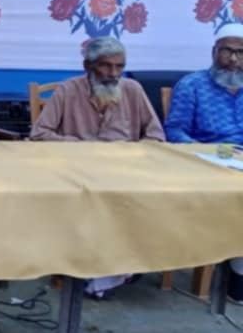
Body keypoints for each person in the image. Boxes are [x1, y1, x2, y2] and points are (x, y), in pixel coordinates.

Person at [30, 36, 165, 299]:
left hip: (123, 170)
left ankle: (116, 268)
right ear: (88, 66)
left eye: (119, 66)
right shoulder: (68, 90)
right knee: (95, 199)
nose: (113, 74)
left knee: (143, 197)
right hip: (78, 170)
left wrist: (132, 153)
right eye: (106, 66)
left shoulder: (133, 90)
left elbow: (156, 135)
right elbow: (39, 134)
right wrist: (80, 146)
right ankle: (103, 270)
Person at [164, 22, 243, 302]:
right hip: (206, 161)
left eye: (241, 53)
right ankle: (238, 275)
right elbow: (174, 131)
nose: (233, 59)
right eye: (227, 51)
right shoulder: (192, 86)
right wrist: (206, 151)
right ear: (214, 52)